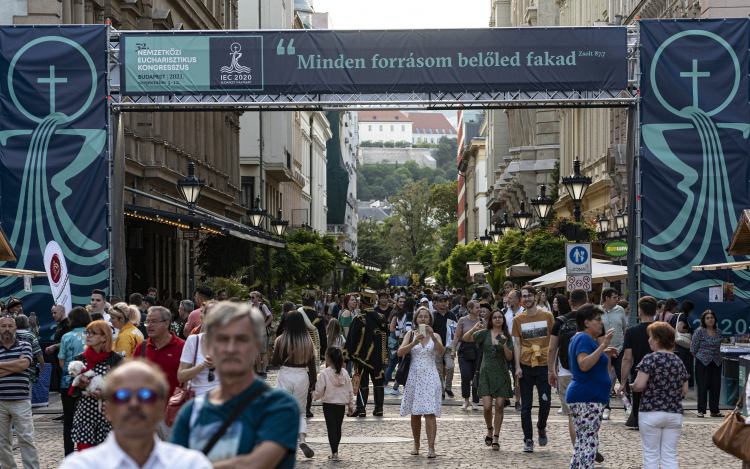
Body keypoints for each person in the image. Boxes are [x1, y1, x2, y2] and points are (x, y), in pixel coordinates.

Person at [171, 302, 299, 468]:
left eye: (241, 339)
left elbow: (256, 464)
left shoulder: (278, 405)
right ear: (208, 347)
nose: (231, 348)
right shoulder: (192, 412)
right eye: (223, 339)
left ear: (257, 347)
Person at [59, 361, 212, 469]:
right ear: (107, 410)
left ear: (161, 408)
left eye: (145, 395)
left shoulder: (190, 464)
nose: (134, 404)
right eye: (122, 395)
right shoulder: (80, 465)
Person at [565, 304, 618, 468]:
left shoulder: (582, 339)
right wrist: (603, 346)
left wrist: (605, 350)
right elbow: (584, 364)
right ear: (586, 322)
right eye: (598, 319)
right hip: (587, 398)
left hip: (586, 397)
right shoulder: (583, 338)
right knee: (589, 444)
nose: (601, 323)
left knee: (582, 443)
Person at [632, 322, 690, 469]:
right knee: (669, 455)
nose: (648, 340)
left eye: (650, 337)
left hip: (651, 411)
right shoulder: (679, 361)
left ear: (657, 339)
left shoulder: (649, 359)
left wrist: (632, 386)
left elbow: (639, 385)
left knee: (651, 455)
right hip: (674, 413)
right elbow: (684, 391)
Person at [548, 288, 600, 453]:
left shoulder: (560, 321)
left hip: (566, 372)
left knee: (572, 415)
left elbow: (551, 349)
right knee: (591, 412)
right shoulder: (593, 320)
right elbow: (602, 346)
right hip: (589, 371)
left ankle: (577, 448)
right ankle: (591, 445)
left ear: (569, 303)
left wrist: (551, 371)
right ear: (587, 302)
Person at [132, 306, 185, 441]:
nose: (149, 326)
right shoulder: (142, 347)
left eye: (154, 321)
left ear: (166, 324)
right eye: (147, 322)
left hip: (172, 416)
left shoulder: (182, 347)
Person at [463, 309, 513, 450]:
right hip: (485, 373)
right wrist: (474, 328)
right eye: (495, 317)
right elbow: (465, 338)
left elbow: (509, 357)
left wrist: (503, 345)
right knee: (486, 408)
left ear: (503, 320)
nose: (497, 319)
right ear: (491, 320)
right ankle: (489, 429)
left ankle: (496, 436)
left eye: (500, 317)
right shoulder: (484, 334)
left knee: (499, 407)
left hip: (501, 373)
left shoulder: (507, 336)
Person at [397, 306, 444, 458]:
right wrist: (414, 342)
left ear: (430, 319)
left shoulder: (435, 334)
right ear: (416, 319)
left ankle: (431, 447)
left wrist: (433, 337)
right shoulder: (410, 334)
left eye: (426, 316)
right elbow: (400, 352)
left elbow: (441, 352)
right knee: (415, 413)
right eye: (420, 316)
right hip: (414, 377)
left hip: (430, 376)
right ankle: (416, 444)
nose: (423, 318)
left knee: (430, 413)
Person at [512, 284, 554, 453]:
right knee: (526, 405)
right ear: (521, 299)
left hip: (544, 364)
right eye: (524, 296)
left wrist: (553, 366)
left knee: (546, 401)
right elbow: (516, 343)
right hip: (526, 365)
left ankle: (541, 426)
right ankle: (528, 439)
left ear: (536, 297)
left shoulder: (548, 316)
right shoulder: (518, 319)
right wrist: (517, 366)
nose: (527, 298)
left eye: (530, 295)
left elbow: (553, 341)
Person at [71, 320, 124, 451]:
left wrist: (106, 393)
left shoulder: (115, 359)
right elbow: (72, 389)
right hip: (85, 414)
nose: (87, 336)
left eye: (92, 333)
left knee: (106, 455)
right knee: (85, 454)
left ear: (104, 337)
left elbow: (126, 386)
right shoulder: (80, 358)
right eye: (86, 333)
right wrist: (81, 386)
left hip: (108, 415)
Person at [271, 311, 318, 458]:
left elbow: (275, 362)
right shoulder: (308, 341)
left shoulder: (281, 339)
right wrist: (314, 386)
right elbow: (312, 366)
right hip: (302, 376)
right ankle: (302, 439)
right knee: (301, 413)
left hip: (285, 374)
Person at [0, 314, 39, 469]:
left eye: (10, 326)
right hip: (0, 401)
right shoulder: (22, 349)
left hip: (21, 400)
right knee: (2, 441)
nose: (7, 329)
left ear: (16, 328)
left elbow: (24, 366)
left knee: (27, 439)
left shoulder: (24, 345)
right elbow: (20, 365)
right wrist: (16, 364)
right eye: (3, 326)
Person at [345, 288, 388, 417]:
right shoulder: (382, 318)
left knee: (362, 382)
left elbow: (351, 339)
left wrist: (347, 356)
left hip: (361, 358)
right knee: (378, 382)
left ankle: (361, 408)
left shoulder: (359, 318)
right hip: (378, 357)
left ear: (362, 304)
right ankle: (379, 408)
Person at [618, 296, 657, 430]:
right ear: (656, 312)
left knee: (639, 405)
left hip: (638, 374)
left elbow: (627, 359)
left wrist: (623, 382)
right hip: (660, 374)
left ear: (639, 312)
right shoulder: (663, 330)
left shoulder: (631, 331)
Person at [57, 307, 91, 455]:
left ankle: (69, 454)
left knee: (69, 421)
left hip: (68, 382)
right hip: (89, 382)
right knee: (88, 419)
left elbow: (61, 363)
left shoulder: (67, 337)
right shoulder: (92, 335)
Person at [312, 346, 355, 461]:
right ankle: (335, 450)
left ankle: (334, 452)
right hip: (341, 404)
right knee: (338, 427)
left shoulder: (325, 374)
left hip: (329, 404)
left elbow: (320, 389)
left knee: (331, 427)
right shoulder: (345, 373)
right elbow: (350, 390)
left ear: (327, 358)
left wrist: (314, 396)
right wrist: (351, 406)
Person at [177, 304, 220, 398]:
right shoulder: (194, 340)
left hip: (223, 403)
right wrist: (203, 365)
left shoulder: (229, 343)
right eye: (209, 315)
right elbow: (181, 376)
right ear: (202, 318)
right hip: (197, 399)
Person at [599, 287, 627, 420]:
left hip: (619, 350)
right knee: (605, 380)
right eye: (615, 297)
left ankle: (628, 406)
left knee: (624, 378)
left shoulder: (620, 310)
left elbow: (623, 328)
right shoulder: (597, 311)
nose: (617, 300)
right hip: (604, 351)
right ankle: (606, 408)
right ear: (607, 298)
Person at [452, 300, 484, 410]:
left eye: (479, 307)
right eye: (477, 307)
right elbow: (457, 336)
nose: (479, 309)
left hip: (478, 350)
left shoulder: (482, 320)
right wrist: (453, 349)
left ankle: (475, 401)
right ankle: (466, 400)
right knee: (465, 376)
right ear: (470, 309)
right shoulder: (462, 320)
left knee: (476, 376)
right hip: (464, 349)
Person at [690, 309, 723, 418]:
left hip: (716, 362)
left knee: (715, 387)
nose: (710, 320)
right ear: (704, 320)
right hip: (702, 362)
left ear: (715, 319)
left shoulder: (719, 332)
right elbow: (693, 349)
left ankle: (714, 410)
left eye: (712, 318)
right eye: (707, 318)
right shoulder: (699, 331)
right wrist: (702, 358)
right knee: (702, 387)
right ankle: (701, 410)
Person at [385, 296, 414, 395]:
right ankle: (391, 386)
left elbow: (397, 332)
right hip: (404, 343)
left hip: (399, 343)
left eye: (403, 302)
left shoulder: (400, 314)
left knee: (401, 365)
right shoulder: (406, 314)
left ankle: (395, 387)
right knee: (401, 365)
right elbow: (408, 329)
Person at [433, 294, 457, 399]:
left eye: (445, 301)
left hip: (448, 347)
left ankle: (448, 387)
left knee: (450, 367)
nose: (443, 303)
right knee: (438, 370)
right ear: (437, 303)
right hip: (437, 347)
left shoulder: (452, 315)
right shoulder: (433, 315)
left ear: (447, 302)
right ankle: (441, 390)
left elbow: (456, 332)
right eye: (441, 301)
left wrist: (454, 348)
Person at [505, 289, 524, 409]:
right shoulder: (503, 312)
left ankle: (518, 400)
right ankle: (506, 398)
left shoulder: (524, 313)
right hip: (506, 347)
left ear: (517, 300)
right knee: (504, 374)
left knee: (518, 375)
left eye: (510, 298)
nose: (508, 300)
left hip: (520, 348)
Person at [250, 292, 274, 379]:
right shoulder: (252, 307)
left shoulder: (262, 306)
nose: (251, 299)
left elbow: (270, 317)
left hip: (263, 332)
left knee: (263, 352)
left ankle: (264, 371)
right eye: (250, 297)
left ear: (258, 298)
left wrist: (264, 325)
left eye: (253, 297)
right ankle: (258, 371)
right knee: (256, 352)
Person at [674, 300, 696, 387]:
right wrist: (689, 330)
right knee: (686, 364)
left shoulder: (674, 315)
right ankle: (687, 383)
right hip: (682, 345)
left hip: (674, 343)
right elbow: (680, 329)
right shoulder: (682, 316)